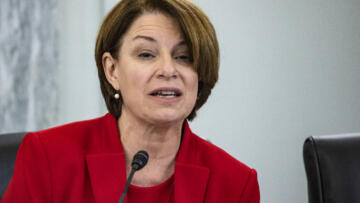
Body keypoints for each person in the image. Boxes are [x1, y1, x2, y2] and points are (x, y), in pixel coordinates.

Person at [1, 0, 260, 202]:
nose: (168, 70)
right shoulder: (48, 157)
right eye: (146, 54)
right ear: (112, 70)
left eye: (184, 56)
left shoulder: (235, 183)